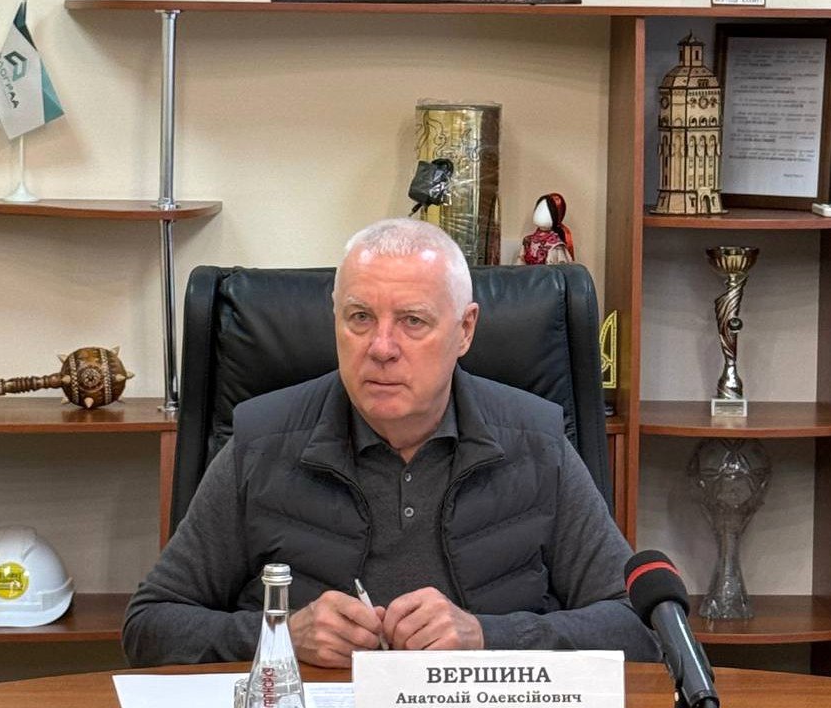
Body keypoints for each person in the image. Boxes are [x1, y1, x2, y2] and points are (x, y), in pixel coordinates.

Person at [122, 218, 658, 668]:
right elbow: (150, 625)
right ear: (335, 320)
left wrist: (487, 637)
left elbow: (638, 628)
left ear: (465, 330)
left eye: (412, 321)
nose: (381, 347)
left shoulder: (537, 444)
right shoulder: (261, 443)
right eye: (360, 318)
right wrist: (279, 634)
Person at [515, 193, 575, 265]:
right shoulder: (528, 240)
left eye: (547, 212)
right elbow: (520, 265)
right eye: (538, 210)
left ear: (556, 216)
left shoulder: (556, 246)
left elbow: (555, 270)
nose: (540, 215)